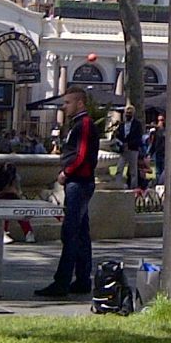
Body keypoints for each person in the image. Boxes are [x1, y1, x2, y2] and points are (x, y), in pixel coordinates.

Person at [37, 86, 101, 299]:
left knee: (70, 232)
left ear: (80, 103)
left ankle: (61, 281)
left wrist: (67, 171)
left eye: (68, 103)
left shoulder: (83, 125)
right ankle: (82, 279)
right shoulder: (79, 125)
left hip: (78, 182)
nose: (64, 107)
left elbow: (81, 155)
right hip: (80, 182)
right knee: (81, 233)